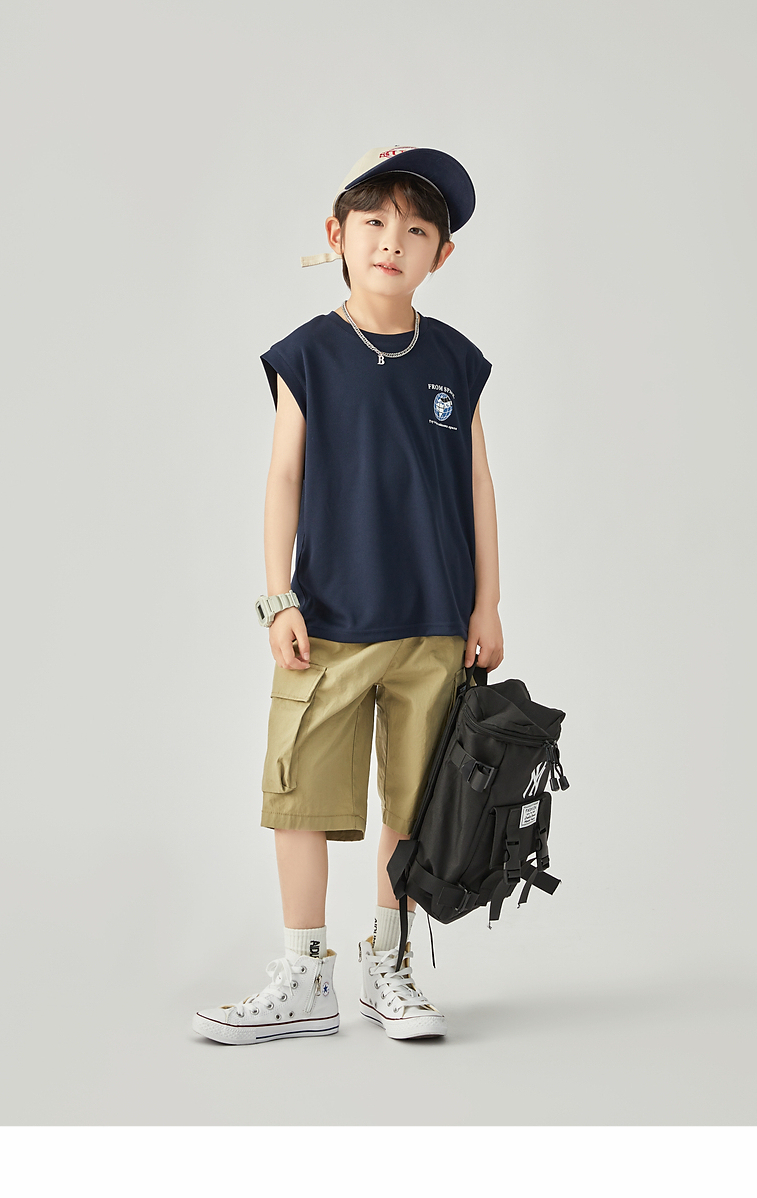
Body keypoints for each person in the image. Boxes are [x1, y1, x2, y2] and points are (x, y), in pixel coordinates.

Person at [192, 145, 504, 1045]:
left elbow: (478, 486)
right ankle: (304, 975)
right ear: (336, 234)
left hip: (434, 623)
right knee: (299, 792)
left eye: (417, 229)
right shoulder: (310, 355)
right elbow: (283, 478)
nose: (392, 242)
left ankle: (389, 969)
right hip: (327, 621)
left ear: (442, 254)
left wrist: (486, 604)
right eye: (374, 222)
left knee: (414, 804)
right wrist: (278, 598)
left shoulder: (457, 361)